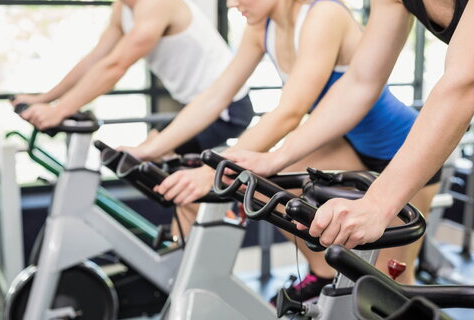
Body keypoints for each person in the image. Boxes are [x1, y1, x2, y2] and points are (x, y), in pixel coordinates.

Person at [153, 0, 440, 303]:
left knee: (390, 278)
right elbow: (215, 96)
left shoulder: (323, 14)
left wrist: (214, 169)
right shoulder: (261, 27)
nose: (234, 3)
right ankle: (323, 273)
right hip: (345, 145)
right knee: (261, 189)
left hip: (399, 152)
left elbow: (291, 111)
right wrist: (152, 148)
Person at [11, 0, 253, 157]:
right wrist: (45, 99)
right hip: (197, 106)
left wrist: (59, 111)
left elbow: (115, 67)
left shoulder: (156, 5)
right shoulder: (123, 7)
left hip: (226, 109)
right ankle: (184, 236)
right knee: (172, 183)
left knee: (165, 168)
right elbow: (97, 58)